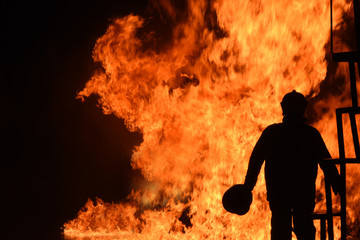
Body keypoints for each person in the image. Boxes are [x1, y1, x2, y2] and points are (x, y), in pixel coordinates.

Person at [244, 90, 341, 240]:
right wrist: (336, 182)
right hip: (303, 193)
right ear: (304, 107)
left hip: (279, 194)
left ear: (283, 108)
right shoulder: (311, 134)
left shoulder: (272, 133)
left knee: (280, 232)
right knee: (305, 231)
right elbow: (326, 162)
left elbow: (256, 160)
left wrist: (247, 187)